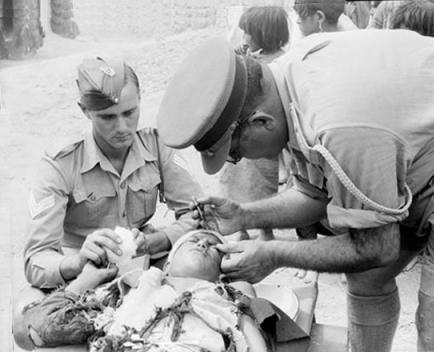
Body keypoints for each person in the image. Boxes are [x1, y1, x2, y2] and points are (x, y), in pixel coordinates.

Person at [156, 32, 434, 352]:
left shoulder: (341, 124)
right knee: (366, 280)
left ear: (261, 122)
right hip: (422, 162)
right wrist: (244, 215)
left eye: (235, 152)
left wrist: (275, 254)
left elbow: (376, 247)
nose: (238, 161)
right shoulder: (285, 85)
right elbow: (315, 193)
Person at [13, 56, 203, 349]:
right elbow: (36, 258)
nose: (122, 127)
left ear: (140, 100)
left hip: (146, 265)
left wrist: (157, 240)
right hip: (81, 276)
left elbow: (196, 214)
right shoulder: (61, 163)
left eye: (130, 112)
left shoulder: (156, 146)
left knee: (201, 268)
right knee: (23, 328)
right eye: (107, 117)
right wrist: (75, 261)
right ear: (85, 111)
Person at [19, 230, 305, 351]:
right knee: (33, 320)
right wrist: (88, 278)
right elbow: (42, 325)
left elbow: (253, 337)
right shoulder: (132, 288)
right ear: (168, 264)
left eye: (213, 246)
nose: (204, 244)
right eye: (194, 241)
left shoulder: (226, 295)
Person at [220, 6, 289, 241]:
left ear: (264, 32)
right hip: (242, 139)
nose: (245, 38)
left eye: (248, 32)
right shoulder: (249, 58)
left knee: (261, 189)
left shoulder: (281, 62)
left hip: (262, 145)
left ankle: (265, 231)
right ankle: (241, 229)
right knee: (234, 184)